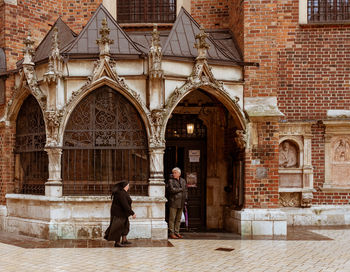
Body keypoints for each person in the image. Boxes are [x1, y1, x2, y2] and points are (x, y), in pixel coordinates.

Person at [104, 180, 136, 247]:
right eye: (128, 186)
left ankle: (124, 240)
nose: (128, 187)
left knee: (125, 226)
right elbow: (124, 204)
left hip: (123, 214)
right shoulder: (121, 194)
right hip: (118, 214)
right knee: (118, 227)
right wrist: (132, 213)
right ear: (124, 186)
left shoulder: (123, 192)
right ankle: (117, 242)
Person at [167, 167, 187, 239]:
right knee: (172, 218)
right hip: (174, 201)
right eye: (173, 173)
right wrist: (181, 189)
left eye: (175, 173)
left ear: (179, 173)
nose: (174, 174)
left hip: (181, 201)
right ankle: (171, 233)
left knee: (178, 219)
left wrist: (185, 199)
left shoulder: (183, 181)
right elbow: (172, 190)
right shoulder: (170, 181)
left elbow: (186, 190)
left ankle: (177, 232)